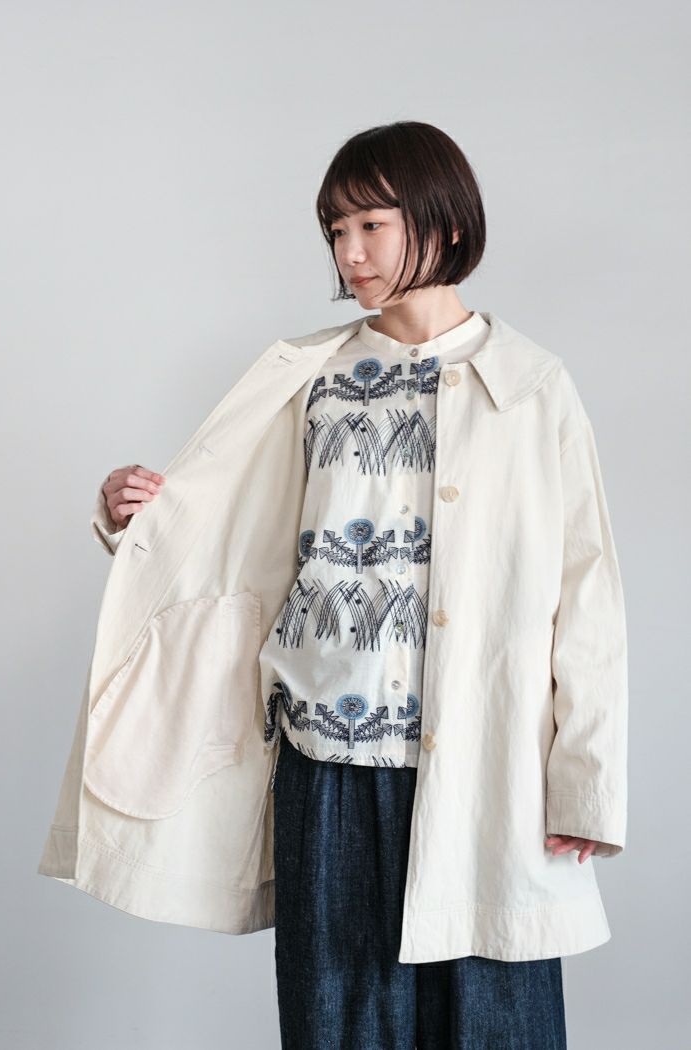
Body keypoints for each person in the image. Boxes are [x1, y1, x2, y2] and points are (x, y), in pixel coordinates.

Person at [95, 121, 624, 1048]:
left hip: (484, 761)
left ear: (445, 223)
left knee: (494, 1020)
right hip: (329, 764)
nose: (350, 253)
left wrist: (585, 781)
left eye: (371, 225)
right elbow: (224, 532)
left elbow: (587, 597)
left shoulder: (532, 387)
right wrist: (131, 511)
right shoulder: (309, 377)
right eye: (336, 231)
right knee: (337, 1022)